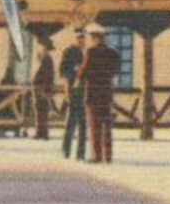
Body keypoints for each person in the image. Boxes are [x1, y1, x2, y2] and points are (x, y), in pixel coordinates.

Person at [78, 25, 120, 163]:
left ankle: (97, 155)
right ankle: (108, 155)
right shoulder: (113, 54)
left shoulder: (91, 52)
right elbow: (115, 71)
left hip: (93, 93)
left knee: (95, 126)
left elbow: (82, 73)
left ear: (95, 38)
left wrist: (80, 73)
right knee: (107, 125)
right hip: (107, 92)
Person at [59, 29, 87, 160]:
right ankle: (66, 149)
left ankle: (80, 153)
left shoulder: (83, 54)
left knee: (82, 123)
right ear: (74, 39)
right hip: (72, 90)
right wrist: (73, 71)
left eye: (83, 38)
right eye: (79, 38)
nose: (81, 41)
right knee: (71, 122)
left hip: (82, 91)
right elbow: (62, 71)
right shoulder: (68, 52)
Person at [30, 38, 56, 141]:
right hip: (38, 88)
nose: (43, 50)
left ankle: (43, 132)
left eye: (45, 48)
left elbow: (48, 76)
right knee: (39, 110)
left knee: (43, 110)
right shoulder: (41, 59)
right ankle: (40, 131)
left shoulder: (47, 60)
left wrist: (47, 89)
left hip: (42, 88)